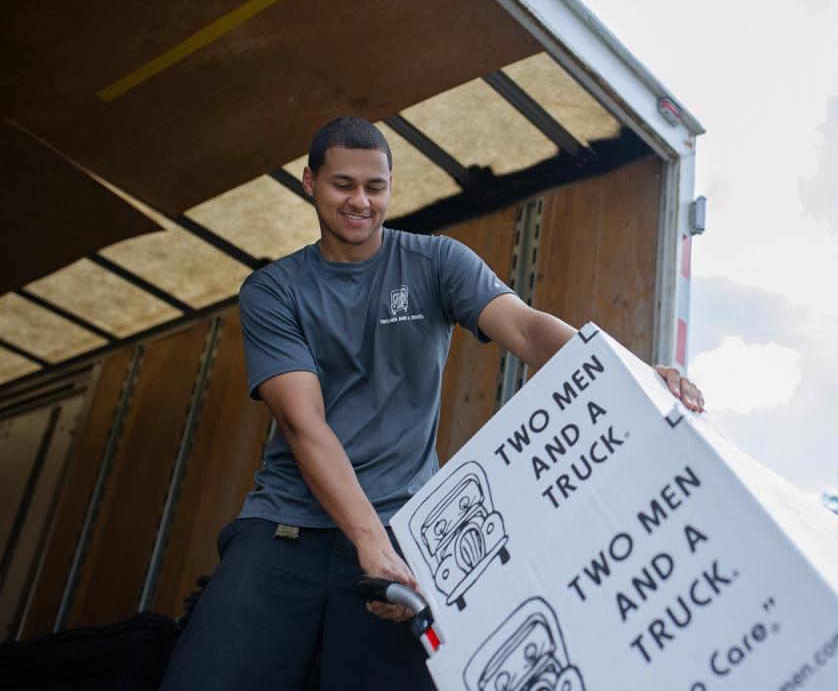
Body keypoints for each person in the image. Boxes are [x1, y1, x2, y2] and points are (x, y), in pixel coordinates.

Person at [161, 117, 704, 690]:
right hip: (285, 525)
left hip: (404, 527)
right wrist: (369, 540)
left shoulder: (436, 262)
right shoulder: (274, 289)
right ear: (309, 183)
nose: (360, 201)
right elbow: (304, 424)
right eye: (343, 184)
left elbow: (526, 330)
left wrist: (632, 373)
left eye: (376, 187)